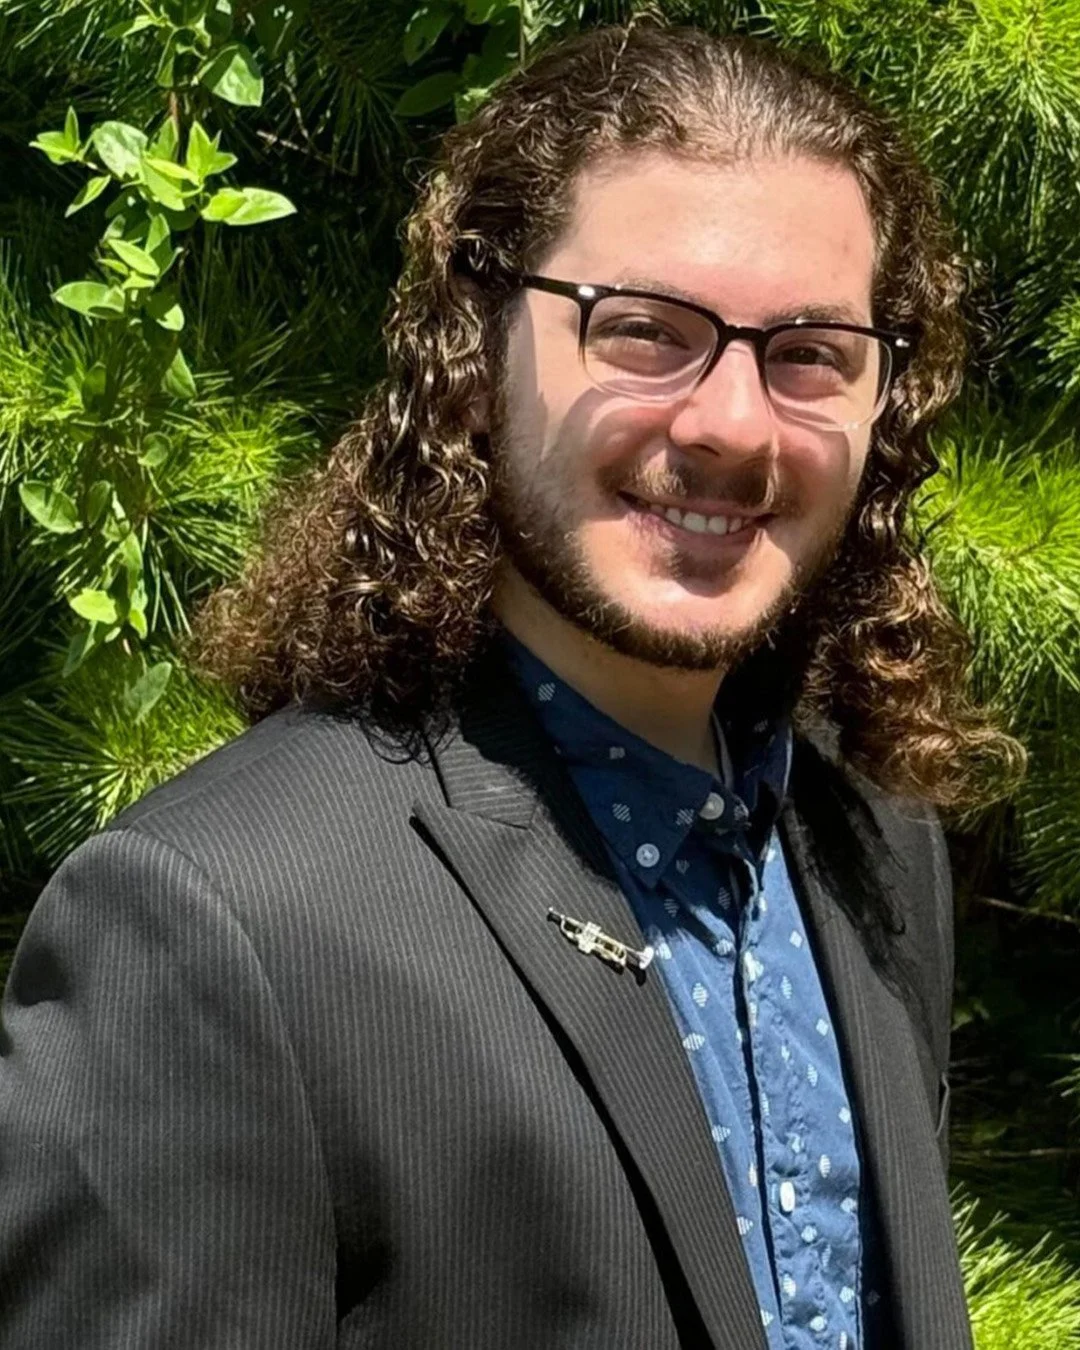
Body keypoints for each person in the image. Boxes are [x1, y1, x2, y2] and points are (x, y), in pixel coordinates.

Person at [0, 22, 1024, 1350]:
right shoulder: (216, 926)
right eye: (645, 331)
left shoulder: (874, 840)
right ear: (476, 349)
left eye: (810, 353)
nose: (730, 422)